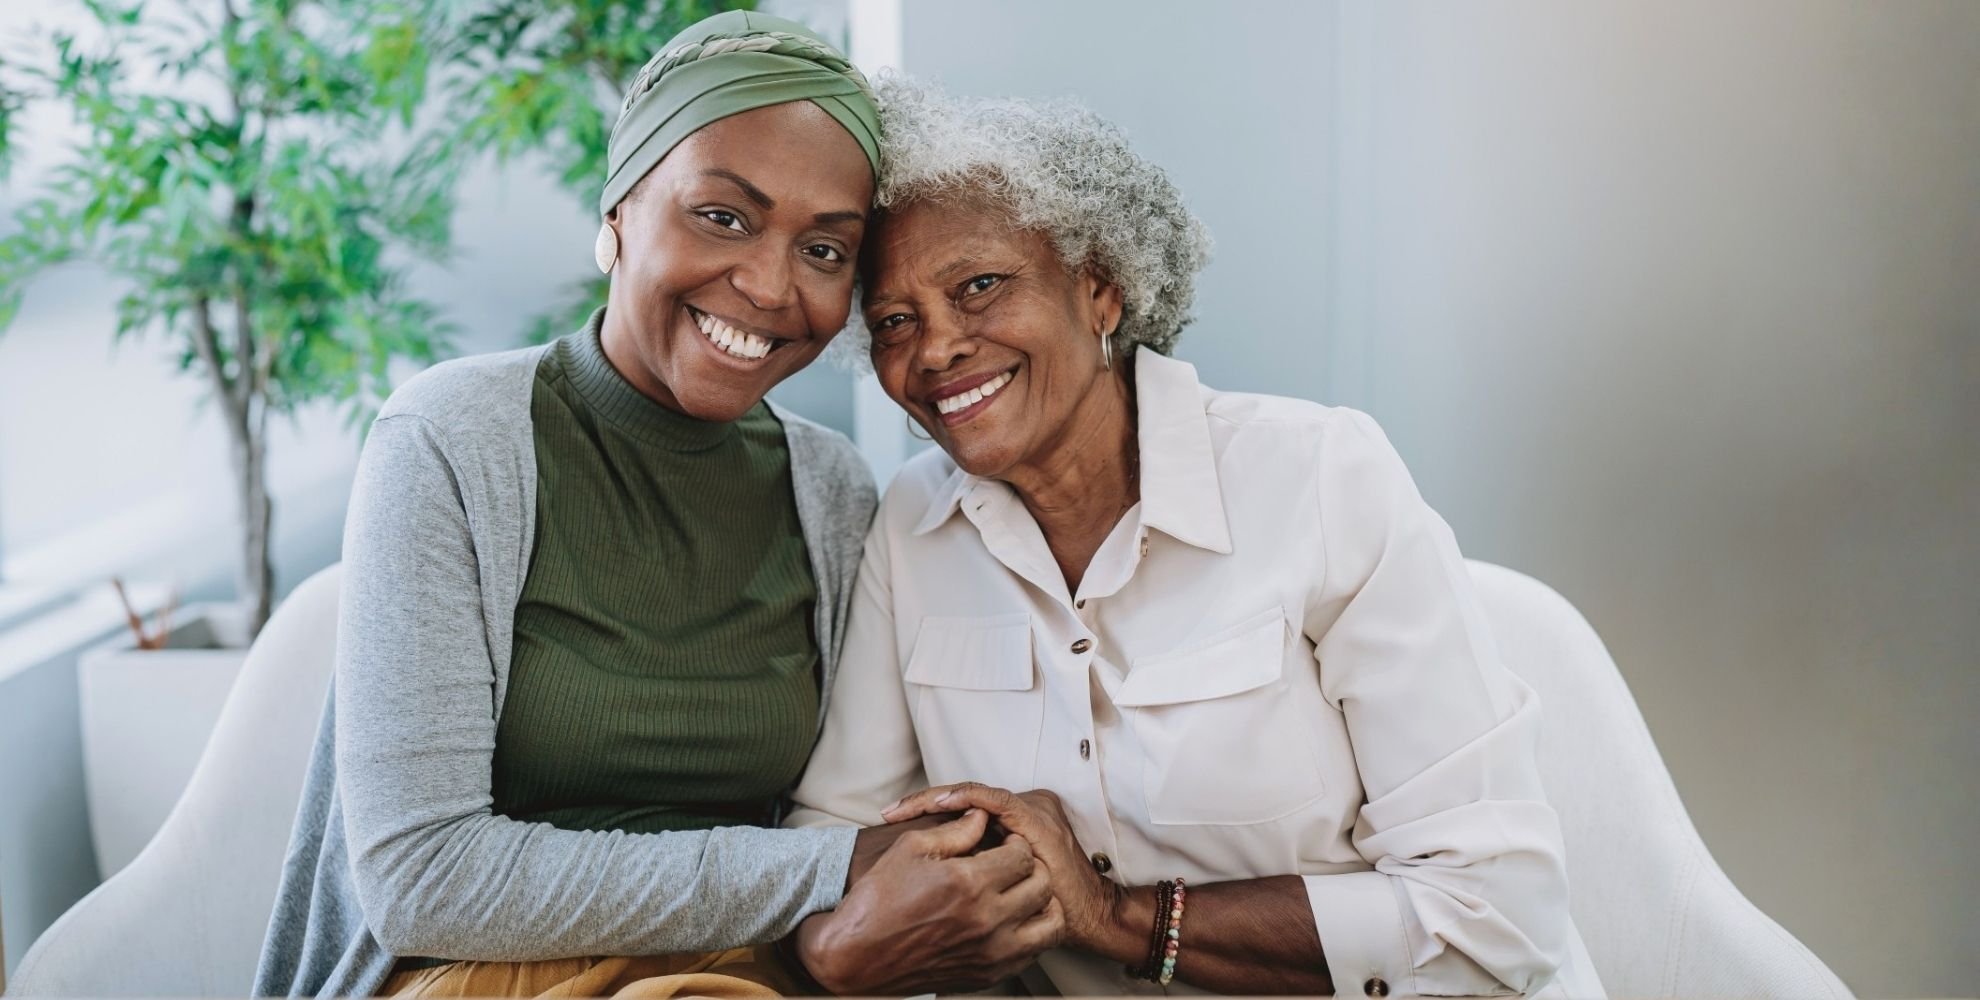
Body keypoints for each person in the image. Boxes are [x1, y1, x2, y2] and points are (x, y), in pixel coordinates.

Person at [254, 19, 1057, 998]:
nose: (769, 285)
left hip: (742, 976)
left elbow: (858, 815)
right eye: (723, 216)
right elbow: (423, 881)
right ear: (621, 208)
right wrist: (836, 865)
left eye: (824, 249)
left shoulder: (832, 490)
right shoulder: (453, 437)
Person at [790, 77, 1607, 998]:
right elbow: (836, 837)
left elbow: (1494, 913)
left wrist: (1114, 917)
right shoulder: (913, 523)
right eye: (894, 323)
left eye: (979, 286)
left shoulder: (1321, 476)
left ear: (1101, 291)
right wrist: (834, 946)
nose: (936, 348)